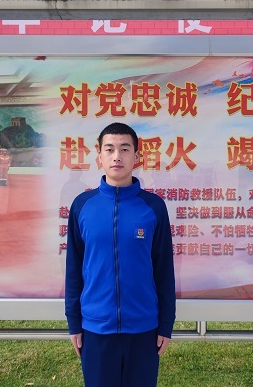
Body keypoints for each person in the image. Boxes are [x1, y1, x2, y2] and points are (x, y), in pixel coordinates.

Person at [65, 122, 175, 387]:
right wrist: (74, 322)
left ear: (136, 157)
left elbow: (164, 269)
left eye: (125, 149)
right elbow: (74, 269)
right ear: (99, 156)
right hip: (96, 328)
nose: (117, 156)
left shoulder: (153, 207)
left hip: (144, 328)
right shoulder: (82, 205)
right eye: (110, 149)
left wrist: (165, 324)